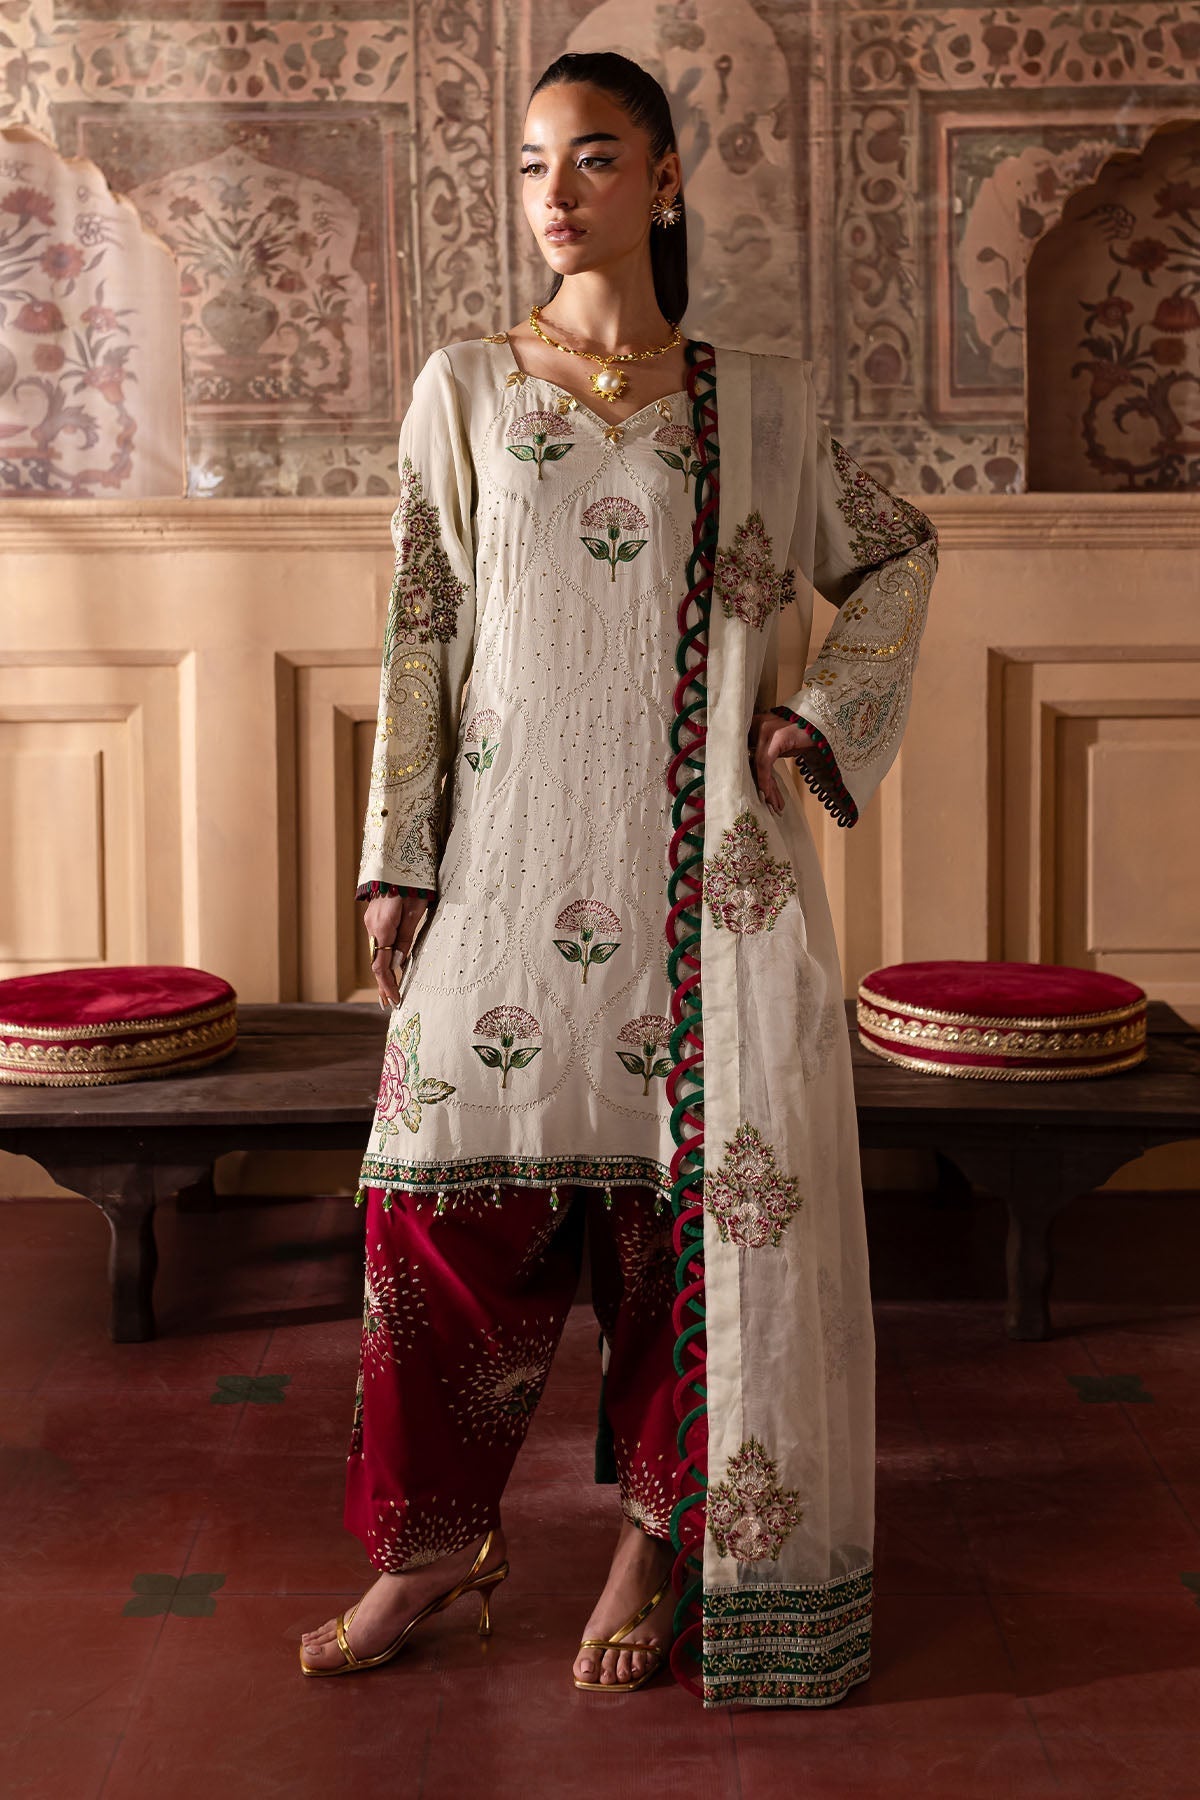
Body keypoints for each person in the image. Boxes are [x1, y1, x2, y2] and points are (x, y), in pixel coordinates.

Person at [300, 49, 938, 1705]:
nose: (554, 193)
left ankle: (656, 1541)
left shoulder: (759, 402)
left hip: (702, 887)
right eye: (529, 164)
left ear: (664, 180)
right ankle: (431, 1544)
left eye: (591, 157)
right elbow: (422, 627)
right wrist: (398, 856)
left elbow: (896, 553)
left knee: (682, 1236)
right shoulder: (462, 388)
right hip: (501, 871)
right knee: (432, 1213)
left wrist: (817, 715)